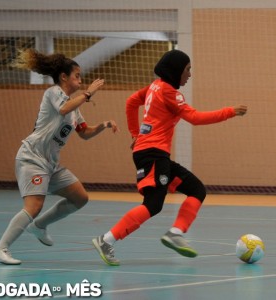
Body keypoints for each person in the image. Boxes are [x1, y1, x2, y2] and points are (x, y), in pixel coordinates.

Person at [92, 49, 247, 266]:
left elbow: (130, 102)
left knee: (196, 190)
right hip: (153, 154)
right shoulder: (170, 93)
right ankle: (106, 240)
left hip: (152, 154)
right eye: (187, 70)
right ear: (176, 71)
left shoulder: (154, 87)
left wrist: (136, 135)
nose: (190, 74)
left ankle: (175, 232)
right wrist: (230, 111)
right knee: (153, 204)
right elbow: (195, 118)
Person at [0, 48, 118, 265]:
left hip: (50, 164)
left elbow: (84, 133)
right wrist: (88, 93)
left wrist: (104, 125)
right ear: (64, 77)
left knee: (80, 198)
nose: (80, 79)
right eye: (77, 75)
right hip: (32, 158)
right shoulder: (53, 93)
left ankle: (38, 226)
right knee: (34, 205)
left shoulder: (74, 108)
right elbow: (64, 109)